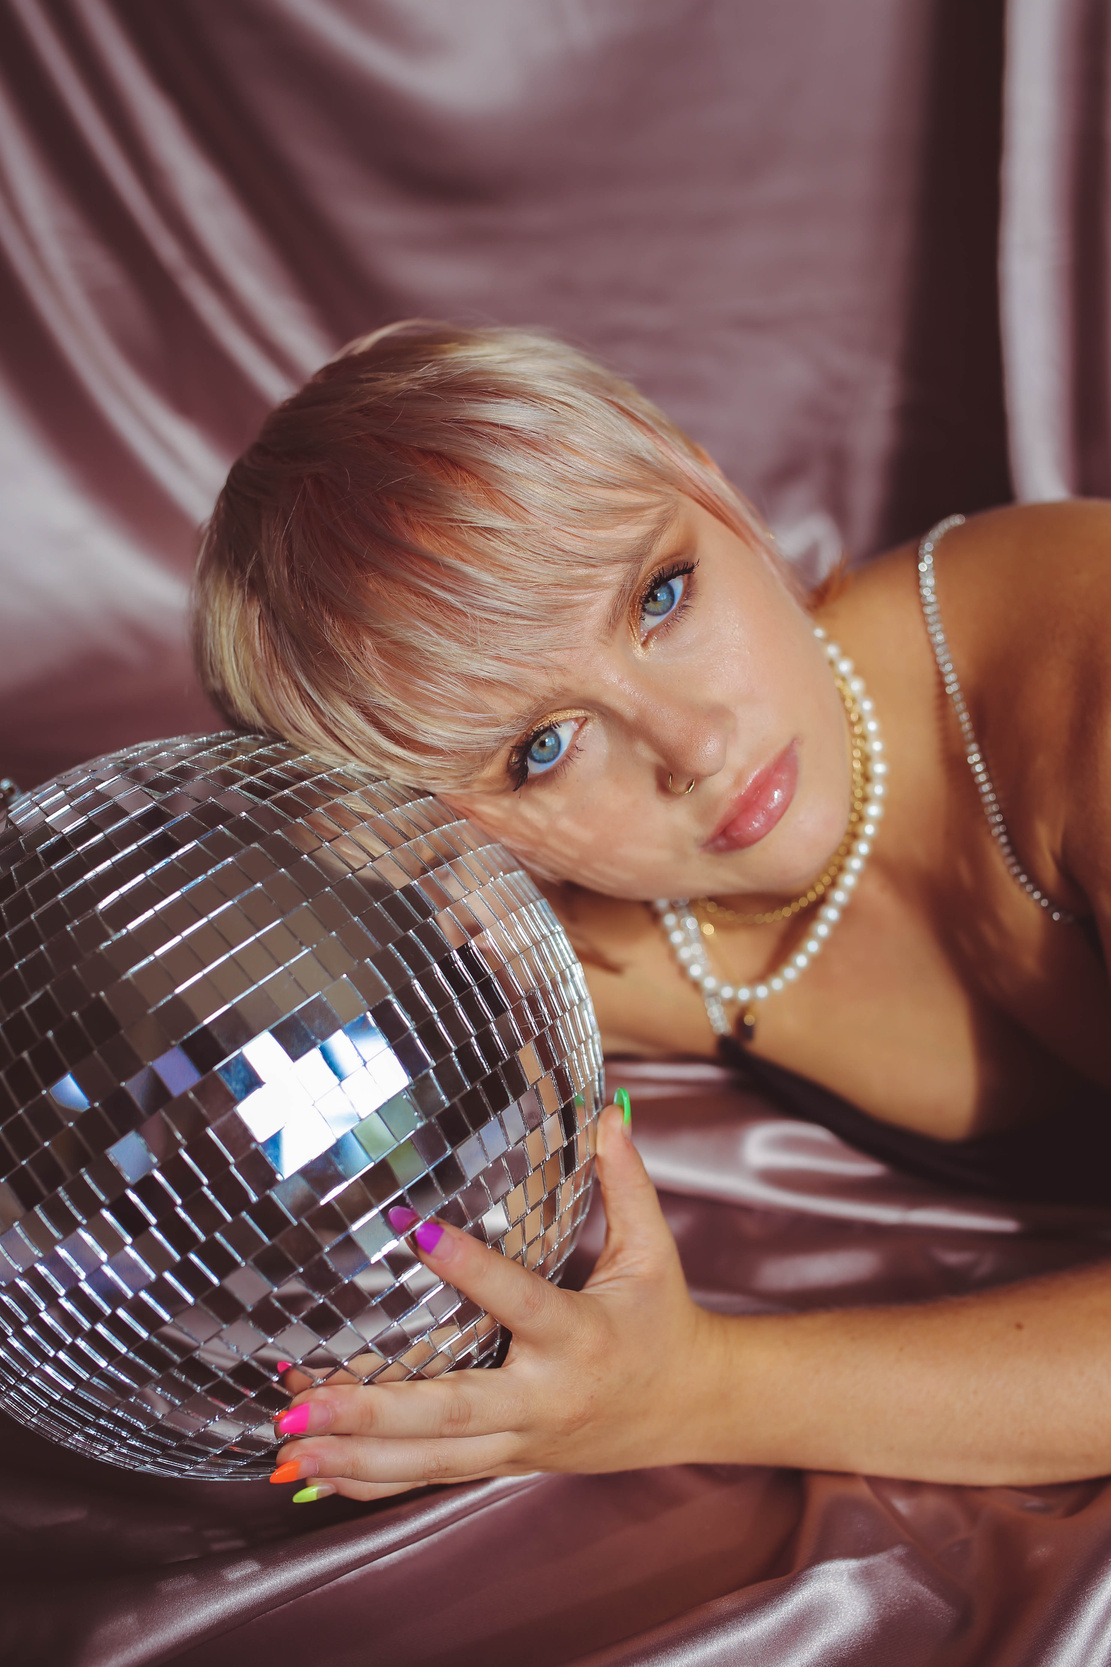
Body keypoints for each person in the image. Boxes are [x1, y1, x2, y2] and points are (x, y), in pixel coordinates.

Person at [192, 321, 1111, 1505]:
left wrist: (697, 1387)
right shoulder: (586, 938)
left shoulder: (1079, 661)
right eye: (542, 747)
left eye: (661, 594)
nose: (693, 746)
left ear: (706, 482)